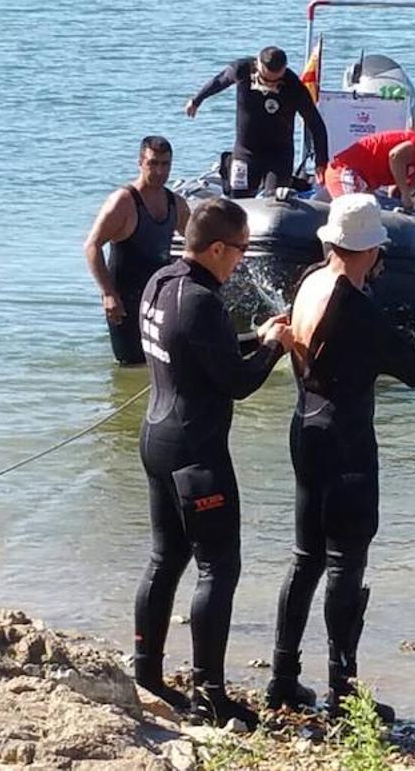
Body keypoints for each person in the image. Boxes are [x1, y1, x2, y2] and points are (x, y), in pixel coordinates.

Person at [265, 194, 415, 720]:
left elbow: (384, 356)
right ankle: (343, 692)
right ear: (371, 249)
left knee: (306, 558)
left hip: (305, 430)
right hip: (347, 444)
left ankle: (282, 678)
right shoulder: (355, 305)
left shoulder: (310, 282)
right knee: (346, 564)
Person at [134, 198, 294, 729]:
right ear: (218, 248)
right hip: (196, 454)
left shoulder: (161, 282)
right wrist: (274, 350)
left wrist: (255, 336)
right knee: (218, 568)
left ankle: (148, 673)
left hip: (157, 439)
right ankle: (210, 692)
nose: (242, 262)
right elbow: (238, 383)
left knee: (165, 559)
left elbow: (198, 349)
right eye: (240, 251)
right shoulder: (203, 300)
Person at [84, 136, 191, 365]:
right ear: (140, 162)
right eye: (153, 163)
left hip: (159, 299)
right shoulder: (123, 202)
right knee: (131, 366)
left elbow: (196, 245)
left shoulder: (176, 204)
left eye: (165, 164)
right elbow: (92, 246)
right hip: (124, 303)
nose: (160, 171)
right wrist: (108, 294)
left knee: (163, 363)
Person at [185, 46, 329, 198]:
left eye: (276, 81)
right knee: (239, 197)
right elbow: (220, 80)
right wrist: (196, 100)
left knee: (275, 197)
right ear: (258, 63)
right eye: (266, 79)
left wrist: (321, 161)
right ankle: (228, 164)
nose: (270, 85)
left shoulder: (294, 86)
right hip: (246, 150)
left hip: (279, 153)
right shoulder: (242, 69)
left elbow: (315, 123)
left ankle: (291, 183)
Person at [325, 129, 415, 209]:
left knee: (377, 207)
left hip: (364, 182)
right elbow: (395, 156)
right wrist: (405, 193)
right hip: (347, 170)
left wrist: (406, 204)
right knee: (352, 210)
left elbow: (394, 189)